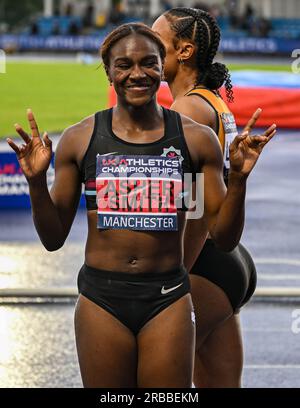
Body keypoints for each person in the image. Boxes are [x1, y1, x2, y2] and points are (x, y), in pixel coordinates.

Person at [6, 22, 275, 388]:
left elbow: (225, 239)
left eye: (148, 62)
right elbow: (53, 238)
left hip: (167, 298)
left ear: (162, 67)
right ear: (109, 72)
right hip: (102, 298)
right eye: (124, 65)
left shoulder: (197, 139)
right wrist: (37, 183)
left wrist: (239, 181)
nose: (137, 74)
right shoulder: (79, 139)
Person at [152, 7, 267, 387]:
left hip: (199, 264)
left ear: (183, 51)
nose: (147, 48)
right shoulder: (211, 100)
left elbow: (194, 206)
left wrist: (171, 278)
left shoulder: (185, 109)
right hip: (228, 265)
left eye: (156, 41)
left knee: (156, 386)